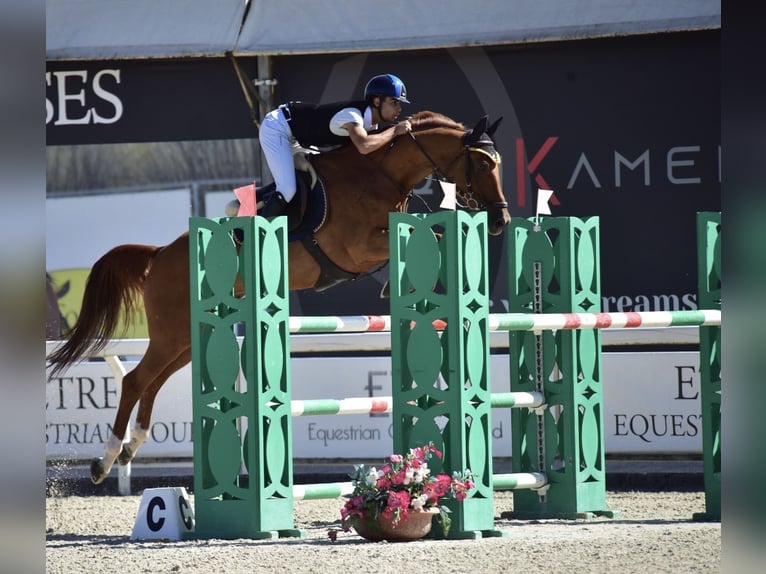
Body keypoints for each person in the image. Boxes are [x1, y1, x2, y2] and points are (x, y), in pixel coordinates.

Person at [257, 73, 413, 218]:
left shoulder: (371, 126)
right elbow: (364, 146)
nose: (399, 109)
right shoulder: (353, 116)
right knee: (288, 189)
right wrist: (395, 131)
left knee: (315, 177)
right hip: (278, 127)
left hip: (296, 135)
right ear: (377, 101)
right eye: (394, 102)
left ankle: (257, 200)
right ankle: (253, 234)